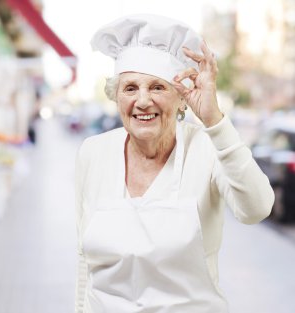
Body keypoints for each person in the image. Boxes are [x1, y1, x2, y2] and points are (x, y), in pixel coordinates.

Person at [75, 14, 274, 313]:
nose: (142, 101)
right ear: (116, 97)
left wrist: (214, 121)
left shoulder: (208, 148)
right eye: (130, 88)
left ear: (181, 99)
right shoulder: (93, 152)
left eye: (157, 87)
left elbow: (257, 209)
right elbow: (84, 260)